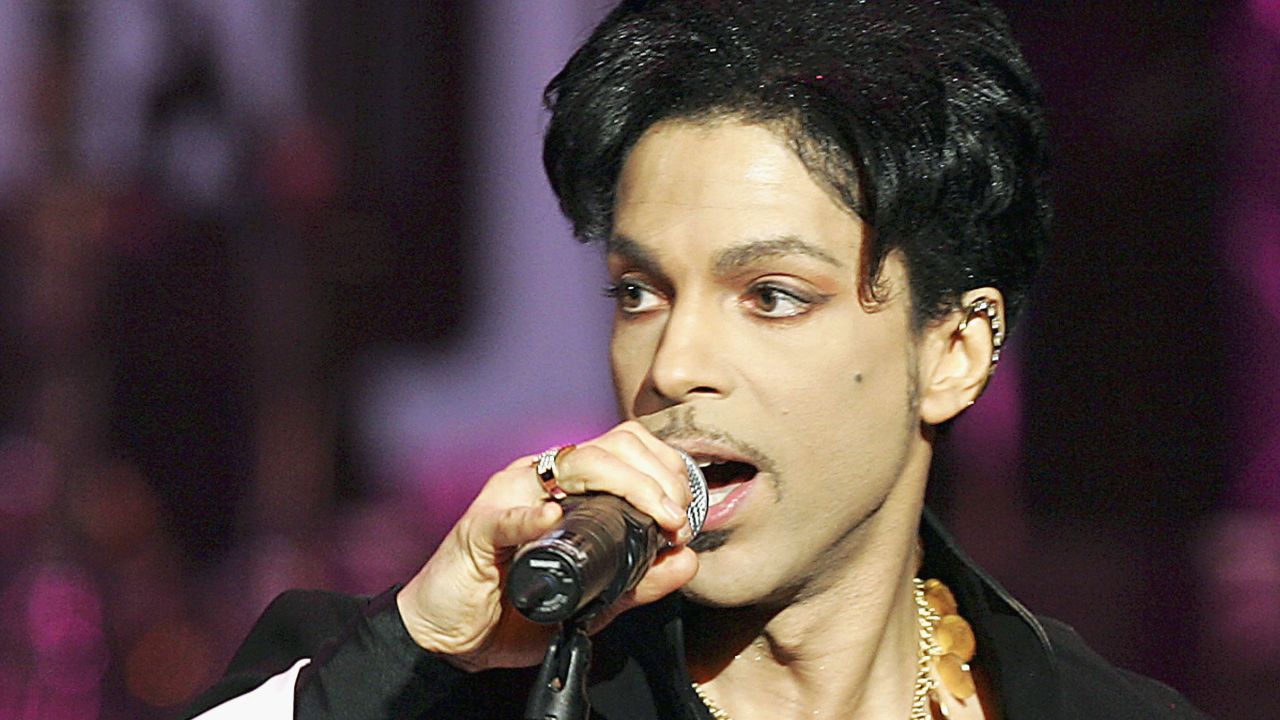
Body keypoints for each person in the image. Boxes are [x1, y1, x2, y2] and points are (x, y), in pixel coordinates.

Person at [183, 1, 1207, 718]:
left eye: (770, 296)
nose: (671, 365)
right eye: (639, 292)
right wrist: (402, 659)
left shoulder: (1088, 707)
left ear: (950, 351)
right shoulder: (418, 678)